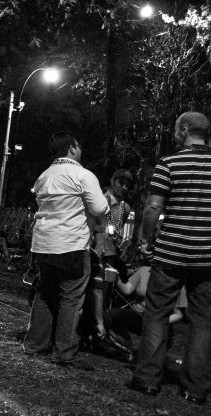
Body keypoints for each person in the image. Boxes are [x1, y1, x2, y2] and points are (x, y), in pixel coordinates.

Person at [129, 112, 211, 403]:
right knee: (202, 322)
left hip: (170, 253)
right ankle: (195, 388)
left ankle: (148, 379)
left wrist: (144, 239)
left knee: (157, 314)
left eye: (177, 128)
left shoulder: (169, 163)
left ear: (185, 130)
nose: (174, 132)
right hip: (207, 259)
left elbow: (153, 206)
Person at [23, 132, 108, 370]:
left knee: (45, 294)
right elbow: (100, 207)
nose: (80, 149)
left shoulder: (43, 176)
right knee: (71, 298)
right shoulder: (83, 175)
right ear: (71, 148)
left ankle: (34, 344)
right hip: (71, 244)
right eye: (78, 146)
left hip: (43, 244)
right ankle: (64, 351)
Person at [86, 169, 134, 341]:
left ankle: (99, 328)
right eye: (121, 182)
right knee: (88, 288)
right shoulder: (100, 199)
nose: (124, 187)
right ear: (113, 181)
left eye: (127, 185)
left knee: (104, 291)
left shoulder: (125, 208)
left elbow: (116, 229)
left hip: (110, 253)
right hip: (95, 250)